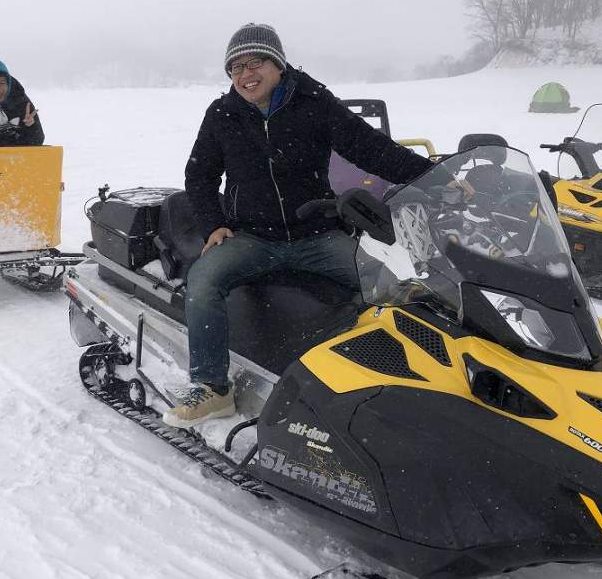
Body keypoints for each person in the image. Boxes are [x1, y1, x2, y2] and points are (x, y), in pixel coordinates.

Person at [164, 23, 433, 428]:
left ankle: (414, 382)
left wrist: (431, 177)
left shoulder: (314, 102)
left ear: (278, 65)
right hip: (251, 236)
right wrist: (214, 224)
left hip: (316, 234)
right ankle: (213, 389)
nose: (245, 75)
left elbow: (371, 149)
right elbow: (199, 176)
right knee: (203, 282)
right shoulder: (222, 114)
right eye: (235, 68)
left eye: (255, 63)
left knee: (395, 285)